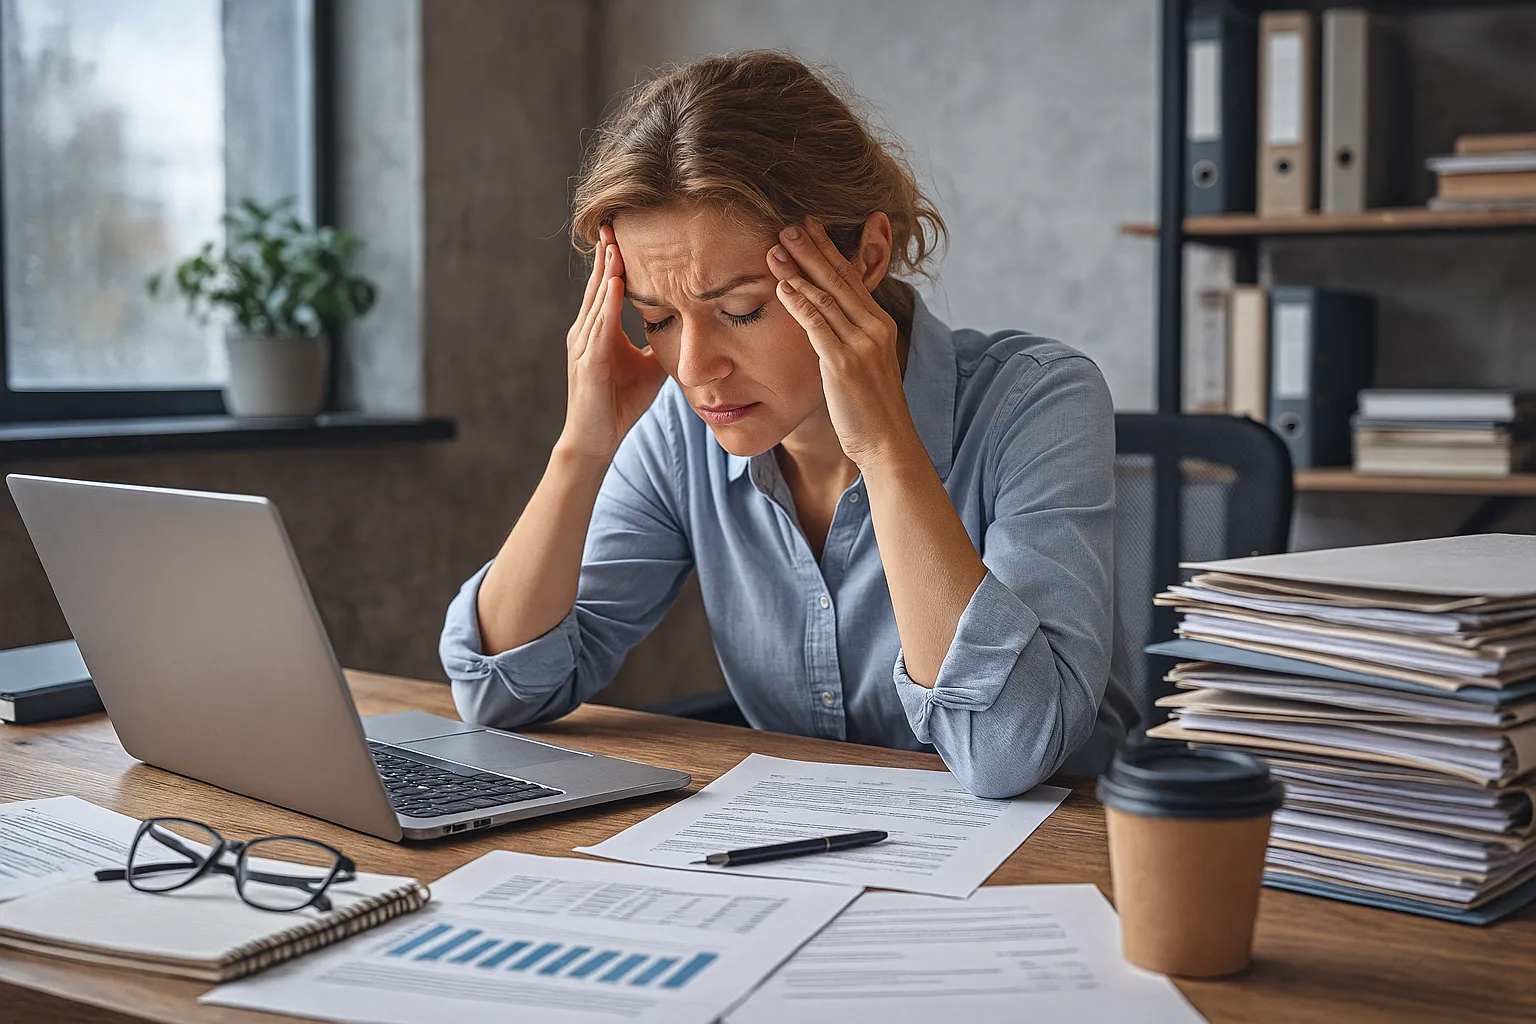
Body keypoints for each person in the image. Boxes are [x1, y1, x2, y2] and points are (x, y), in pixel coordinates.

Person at [440, 51, 1133, 798]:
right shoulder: (681, 431)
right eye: (659, 319)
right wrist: (583, 447)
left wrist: (884, 448)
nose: (697, 368)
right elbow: (500, 696)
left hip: (1066, 854)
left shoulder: (1038, 402)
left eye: (742, 310)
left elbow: (1007, 752)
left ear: (866, 255)